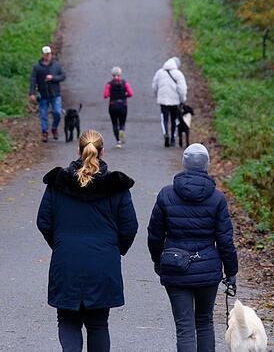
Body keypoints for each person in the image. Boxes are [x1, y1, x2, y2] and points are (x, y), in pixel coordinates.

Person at [37, 130, 138, 352]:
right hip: (103, 262)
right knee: (98, 324)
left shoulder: (58, 183)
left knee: (68, 321)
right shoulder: (116, 186)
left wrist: (60, 243)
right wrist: (115, 248)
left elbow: (44, 221)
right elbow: (129, 226)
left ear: (78, 150)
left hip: (66, 260)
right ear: (102, 151)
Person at [147, 143, 238, 352]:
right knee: (205, 321)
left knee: (184, 326)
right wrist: (231, 271)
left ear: (184, 165)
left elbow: (154, 234)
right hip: (207, 268)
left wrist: (157, 259)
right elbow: (225, 240)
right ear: (207, 165)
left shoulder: (166, 195)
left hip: (175, 267)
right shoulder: (217, 198)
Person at [29, 45, 66, 142]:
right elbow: (33, 80)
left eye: (49, 54)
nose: (48, 56)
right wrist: (32, 93)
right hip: (43, 94)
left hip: (55, 93)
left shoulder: (56, 65)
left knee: (57, 112)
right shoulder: (37, 67)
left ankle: (54, 128)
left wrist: (53, 78)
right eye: (46, 54)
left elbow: (62, 76)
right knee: (43, 114)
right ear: (43, 55)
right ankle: (44, 132)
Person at [152, 57, 187, 147]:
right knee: (174, 119)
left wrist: (157, 95)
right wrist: (182, 99)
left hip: (163, 100)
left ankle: (165, 133)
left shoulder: (159, 72)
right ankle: (172, 138)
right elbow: (182, 89)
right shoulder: (178, 74)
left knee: (164, 119)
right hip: (175, 101)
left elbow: (154, 86)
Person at [103, 66, 134, 148]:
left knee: (114, 123)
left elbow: (105, 95)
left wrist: (111, 95)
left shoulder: (109, 84)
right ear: (120, 74)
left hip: (113, 105)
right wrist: (125, 95)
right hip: (123, 105)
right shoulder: (125, 83)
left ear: (112, 74)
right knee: (122, 122)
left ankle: (118, 141)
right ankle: (122, 130)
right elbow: (131, 93)